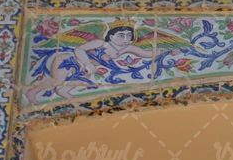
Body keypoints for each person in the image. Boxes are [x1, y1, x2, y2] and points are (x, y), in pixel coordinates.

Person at [24, 21, 155, 102]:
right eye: (121, 35)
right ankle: (32, 92)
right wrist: (87, 64)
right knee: (57, 81)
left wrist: (162, 52)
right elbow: (79, 50)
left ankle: (64, 94)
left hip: (84, 70)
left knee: (83, 80)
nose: (126, 39)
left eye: (129, 36)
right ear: (111, 36)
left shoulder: (125, 49)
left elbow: (146, 54)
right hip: (68, 60)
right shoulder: (101, 43)